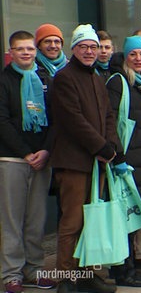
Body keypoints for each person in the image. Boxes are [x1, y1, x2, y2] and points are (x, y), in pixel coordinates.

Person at [51, 24, 122, 293]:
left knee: (92, 221)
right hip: (74, 162)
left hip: (97, 162)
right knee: (72, 222)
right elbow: (73, 120)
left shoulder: (96, 78)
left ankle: (87, 274)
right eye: (84, 47)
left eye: (94, 47)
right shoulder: (65, 77)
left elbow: (107, 116)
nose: (90, 51)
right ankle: (66, 279)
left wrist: (112, 145)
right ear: (74, 49)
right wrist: (101, 147)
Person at [0, 31, 57, 293]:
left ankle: (34, 270)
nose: (26, 53)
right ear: (11, 52)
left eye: (30, 49)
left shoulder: (45, 79)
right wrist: (25, 153)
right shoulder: (4, 80)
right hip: (12, 158)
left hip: (42, 160)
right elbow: (2, 121)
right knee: (12, 220)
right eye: (20, 49)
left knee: (36, 219)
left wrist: (45, 151)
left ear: (36, 51)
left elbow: (56, 119)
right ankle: (12, 274)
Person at [106, 36, 141, 281]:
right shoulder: (118, 82)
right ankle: (123, 270)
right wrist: (118, 156)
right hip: (128, 159)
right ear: (126, 57)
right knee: (125, 215)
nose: (139, 59)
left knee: (136, 214)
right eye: (133, 55)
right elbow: (110, 121)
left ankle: (129, 266)